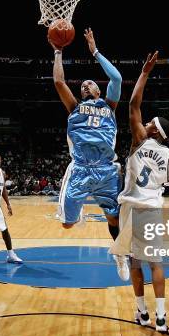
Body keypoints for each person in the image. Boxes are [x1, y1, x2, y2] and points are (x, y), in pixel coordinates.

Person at [109, 52, 169, 332]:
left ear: (155, 130)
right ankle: (161, 318)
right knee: (156, 263)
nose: (148, 122)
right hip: (151, 209)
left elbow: (132, 105)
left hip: (131, 208)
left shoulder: (140, 139)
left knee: (135, 262)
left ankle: (142, 313)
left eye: (151, 122)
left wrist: (144, 72)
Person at [50, 28, 128, 277]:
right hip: (81, 170)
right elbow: (59, 82)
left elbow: (116, 78)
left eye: (90, 84)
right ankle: (78, 208)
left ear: (98, 91)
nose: (85, 85)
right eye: (83, 84)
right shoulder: (74, 107)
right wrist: (58, 51)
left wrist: (94, 51)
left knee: (114, 220)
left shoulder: (110, 105)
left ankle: (119, 254)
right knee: (67, 224)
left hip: (107, 169)